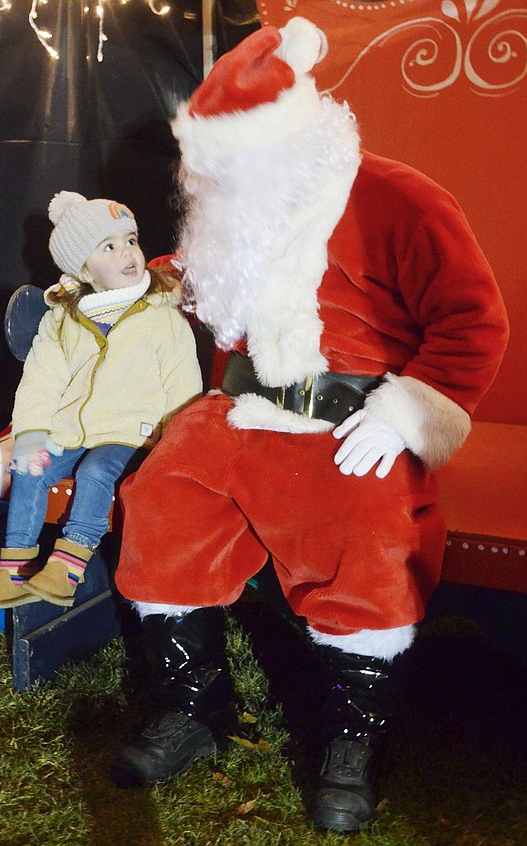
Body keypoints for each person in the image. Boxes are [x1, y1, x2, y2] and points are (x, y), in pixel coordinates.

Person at [110, 17, 510, 834]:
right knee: (160, 503)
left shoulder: (395, 197)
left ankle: (351, 741)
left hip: (354, 418)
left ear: (287, 142)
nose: (213, 188)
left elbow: (475, 321)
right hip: (241, 410)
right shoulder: (232, 212)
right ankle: (196, 708)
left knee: (369, 547)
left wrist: (407, 415)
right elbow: (190, 277)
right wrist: (119, 285)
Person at [0, 191, 202, 610]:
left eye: (131, 240)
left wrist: (174, 443)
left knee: (97, 470)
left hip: (133, 434)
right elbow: (40, 382)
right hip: (70, 429)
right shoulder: (62, 319)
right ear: (83, 268)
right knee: (30, 463)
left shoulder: (161, 316)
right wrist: (29, 434)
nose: (128, 253)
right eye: (109, 246)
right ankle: (14, 568)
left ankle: (69, 562)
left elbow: (183, 385)